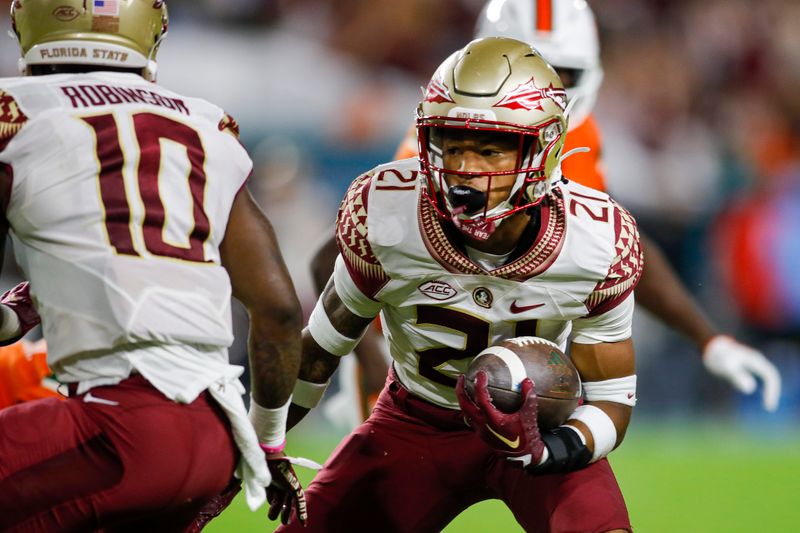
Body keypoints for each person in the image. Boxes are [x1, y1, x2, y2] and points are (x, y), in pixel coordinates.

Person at [314, 0, 781, 421]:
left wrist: (708, 338)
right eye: (533, 64)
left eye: (563, 72)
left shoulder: (577, 136)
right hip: (421, 371)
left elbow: (619, 248)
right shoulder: (444, 156)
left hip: (504, 361)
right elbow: (329, 259)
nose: (544, 87)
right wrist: (367, 360)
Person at [281, 37, 641, 532]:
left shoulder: (596, 239)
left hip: (540, 422)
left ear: (543, 149)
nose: (465, 170)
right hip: (416, 422)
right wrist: (258, 443)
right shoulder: (388, 212)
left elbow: (613, 397)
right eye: (453, 145)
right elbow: (320, 350)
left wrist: (559, 448)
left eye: (490, 148)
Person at [0, 1, 306, 530]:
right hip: (215, 435)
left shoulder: (14, 110)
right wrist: (266, 445)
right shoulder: (206, 123)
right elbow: (278, 309)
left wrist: (10, 319)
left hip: (111, 425)